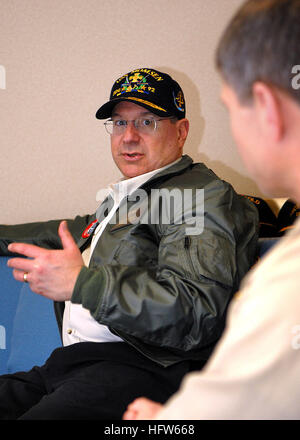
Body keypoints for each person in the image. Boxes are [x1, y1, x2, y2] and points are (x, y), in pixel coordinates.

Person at [0, 68, 258, 420]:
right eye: (119, 123)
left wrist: (82, 284)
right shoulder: (124, 202)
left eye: (147, 122)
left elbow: (196, 312)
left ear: (181, 131)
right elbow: (53, 232)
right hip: (69, 366)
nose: (129, 137)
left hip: (144, 370)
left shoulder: (199, 197)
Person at [123, 0, 300, 421]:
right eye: (120, 123)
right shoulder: (117, 204)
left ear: (267, 109)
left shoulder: (286, 278)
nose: (129, 137)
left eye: (228, 108)